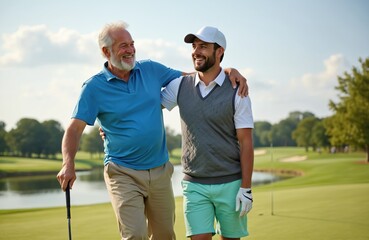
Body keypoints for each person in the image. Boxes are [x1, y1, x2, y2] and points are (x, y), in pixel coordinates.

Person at [56, 21, 248, 240]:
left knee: (165, 235)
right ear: (105, 51)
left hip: (159, 170)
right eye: (123, 46)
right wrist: (68, 163)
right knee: (135, 234)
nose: (130, 50)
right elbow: (74, 128)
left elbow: (196, 78)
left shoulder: (151, 69)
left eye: (132, 44)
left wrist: (228, 70)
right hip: (122, 171)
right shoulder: (93, 87)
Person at [161, 26, 254, 239]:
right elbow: (148, 109)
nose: (196, 51)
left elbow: (246, 142)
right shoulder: (179, 85)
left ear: (219, 51)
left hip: (231, 183)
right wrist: (113, 124)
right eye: (194, 46)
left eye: (203, 46)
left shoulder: (238, 91)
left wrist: (246, 188)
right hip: (194, 184)